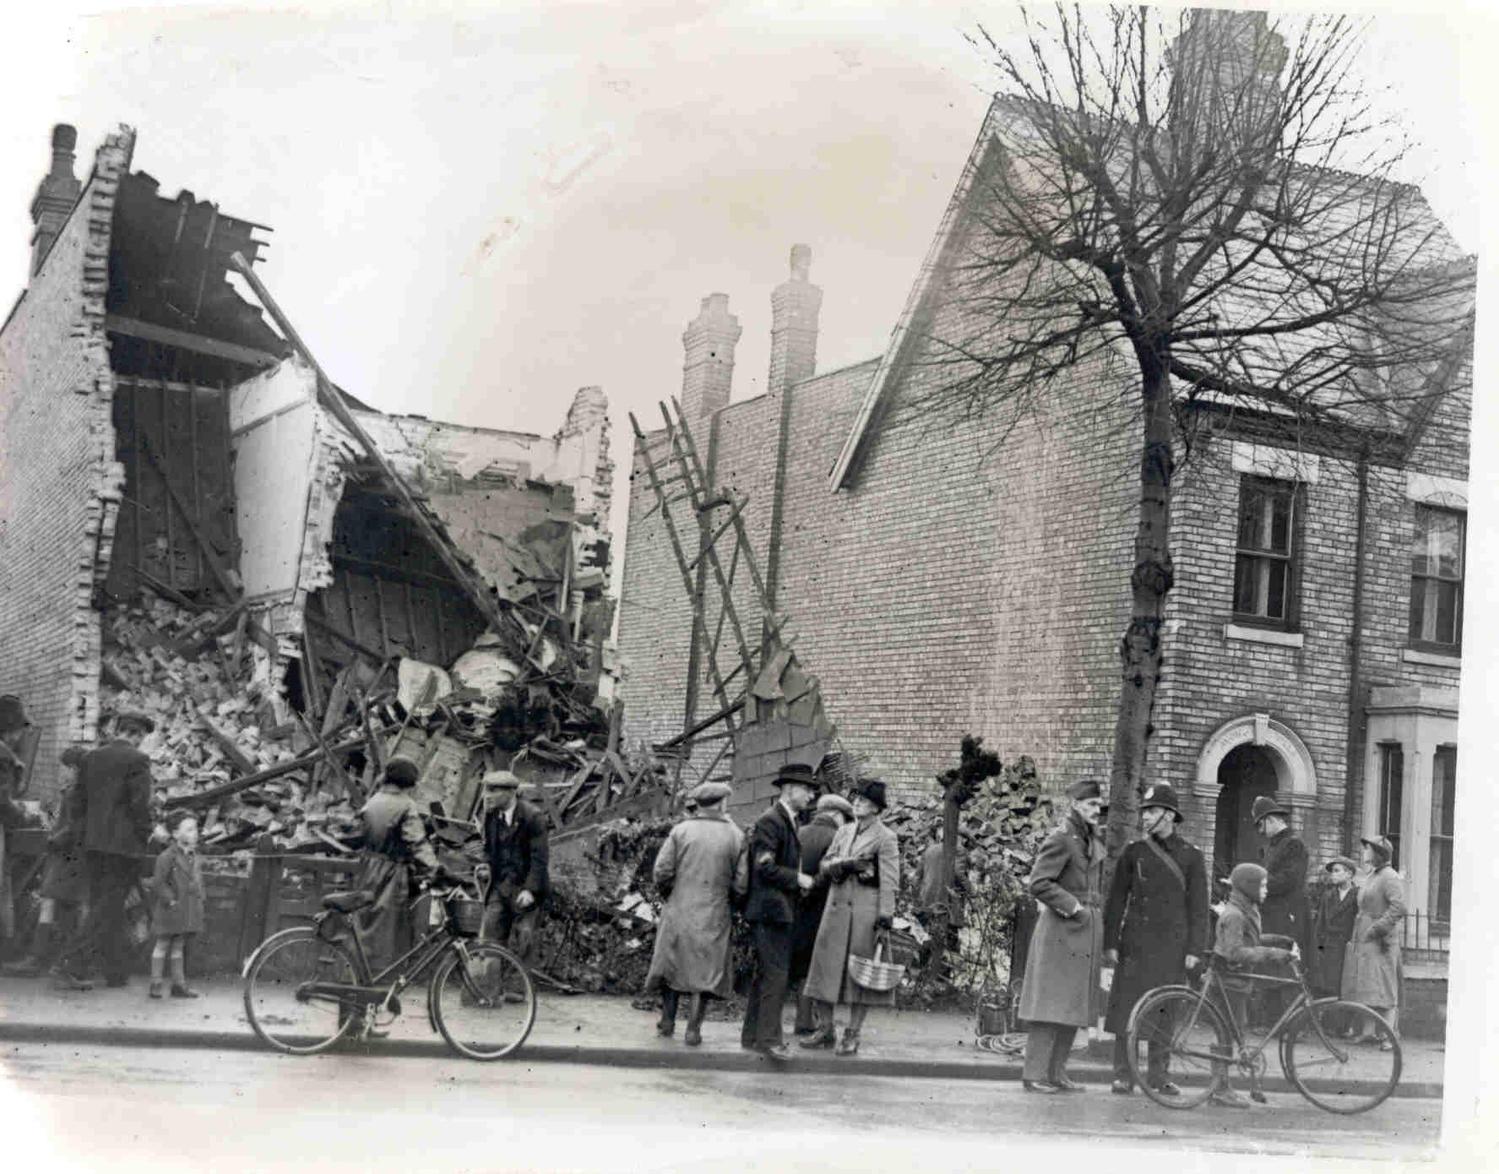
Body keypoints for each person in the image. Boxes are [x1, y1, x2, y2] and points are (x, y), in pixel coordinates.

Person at [1102, 782, 1208, 1097]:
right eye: (1144, 813)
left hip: (1172, 948)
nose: (1145, 819)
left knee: (1165, 1011)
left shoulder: (1191, 857)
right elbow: (1116, 900)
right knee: (1126, 1010)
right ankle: (1122, 1074)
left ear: (1169, 815)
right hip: (1135, 944)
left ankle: (1158, 1075)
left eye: (1151, 812)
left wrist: (1194, 950)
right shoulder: (1133, 853)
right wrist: (1110, 942)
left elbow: (1199, 908)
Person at [50, 711, 157, 990]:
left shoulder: (92, 757)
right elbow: (140, 804)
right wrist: (147, 832)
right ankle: (69, 963)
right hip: (123, 849)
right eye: (141, 737)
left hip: (93, 846)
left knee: (105, 906)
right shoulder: (138, 760)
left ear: (116, 729)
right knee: (107, 910)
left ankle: (115, 972)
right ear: (135, 734)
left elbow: (78, 802)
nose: (141, 742)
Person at [1017, 778, 1106, 1094]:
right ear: (1076, 805)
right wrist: (1074, 907)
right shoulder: (1062, 838)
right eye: (1092, 804)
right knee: (1050, 1004)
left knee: (1073, 1004)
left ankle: (1056, 1072)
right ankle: (1035, 1073)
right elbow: (1039, 883)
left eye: (1099, 805)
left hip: (1083, 932)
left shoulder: (1090, 839)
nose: (1098, 810)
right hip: (1061, 930)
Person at [801, 778, 901, 1056]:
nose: (856, 803)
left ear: (876, 808)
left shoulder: (886, 837)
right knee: (824, 968)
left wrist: (885, 918)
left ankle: (852, 1034)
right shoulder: (843, 831)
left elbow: (891, 881)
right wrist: (841, 864)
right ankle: (825, 1029)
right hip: (834, 910)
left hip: (864, 912)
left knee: (861, 974)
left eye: (864, 801)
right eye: (855, 799)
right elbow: (824, 863)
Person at [644, 781, 749, 1045]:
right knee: (706, 971)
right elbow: (742, 882)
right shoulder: (735, 835)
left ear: (699, 804)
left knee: (672, 964)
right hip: (715, 911)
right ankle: (693, 1029)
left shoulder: (681, 831)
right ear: (722, 803)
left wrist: (671, 894)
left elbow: (661, 871)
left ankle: (667, 1022)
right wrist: (731, 904)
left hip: (679, 908)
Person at [740, 762, 819, 1061]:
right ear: (790, 790)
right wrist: (797, 878)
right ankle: (770, 1040)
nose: (811, 797)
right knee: (776, 975)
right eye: (807, 790)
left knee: (765, 975)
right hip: (770, 910)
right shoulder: (771, 821)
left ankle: (752, 1035)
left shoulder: (786, 820)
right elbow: (765, 866)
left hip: (775, 909)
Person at [1209, 862, 1298, 1109]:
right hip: (1229, 981)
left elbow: (1253, 940)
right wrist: (1275, 954)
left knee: (1234, 1030)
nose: (1266, 889)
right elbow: (1236, 952)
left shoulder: (1246, 908)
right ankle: (1220, 1090)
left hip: (1236, 980)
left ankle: (1222, 1087)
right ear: (1248, 887)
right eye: (1262, 885)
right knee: (1228, 1033)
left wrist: (1283, 942)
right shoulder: (1235, 915)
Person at [4, 746, 91, 977]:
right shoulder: (79, 791)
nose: (62, 773)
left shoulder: (75, 793)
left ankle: (38, 959)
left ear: (74, 768)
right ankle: (58, 959)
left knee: (51, 903)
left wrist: (52, 839)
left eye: (64, 768)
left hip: (66, 856)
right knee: (64, 906)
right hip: (72, 856)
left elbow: (73, 828)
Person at [352, 755, 442, 972]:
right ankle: (379, 981)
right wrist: (435, 868)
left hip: (367, 867)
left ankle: (356, 976)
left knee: (364, 924)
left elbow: (358, 832)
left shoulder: (373, 800)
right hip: (391, 872)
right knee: (385, 930)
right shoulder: (405, 805)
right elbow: (417, 843)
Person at [791, 791, 854, 1035]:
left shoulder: (800, 832)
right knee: (816, 967)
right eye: (845, 818)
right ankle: (808, 1020)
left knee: (798, 966)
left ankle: (802, 1017)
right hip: (823, 910)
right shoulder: (837, 838)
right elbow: (831, 876)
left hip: (796, 907)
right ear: (836, 815)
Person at [478, 769, 550, 972]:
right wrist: (485, 865)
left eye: (493, 790)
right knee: (490, 936)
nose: (487, 796)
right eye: (486, 790)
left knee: (524, 938)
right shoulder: (491, 815)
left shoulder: (532, 816)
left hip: (525, 887)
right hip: (500, 885)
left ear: (510, 792)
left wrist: (530, 890)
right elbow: (488, 848)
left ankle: (518, 991)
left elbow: (540, 858)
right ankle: (489, 988)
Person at [1342, 835, 1405, 1050]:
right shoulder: (1372, 875)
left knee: (1385, 985)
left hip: (1381, 939)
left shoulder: (1390, 877)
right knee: (1367, 983)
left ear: (1378, 853)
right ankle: (1368, 1032)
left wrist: (1377, 929)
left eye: (1367, 849)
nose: (1364, 852)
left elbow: (1398, 908)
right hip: (1364, 936)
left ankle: (1389, 1036)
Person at [148, 811, 205, 999]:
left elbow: (197, 879)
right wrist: (170, 899)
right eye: (188, 830)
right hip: (170, 909)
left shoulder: (194, 856)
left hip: (186, 909)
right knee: (163, 943)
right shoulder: (167, 857)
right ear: (175, 834)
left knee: (178, 945)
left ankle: (178, 984)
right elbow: (158, 882)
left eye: (195, 829)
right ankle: (156, 982)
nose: (194, 833)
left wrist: (200, 898)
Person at [0, 695, 39, 946]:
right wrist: (24, 814)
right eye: (16, 731)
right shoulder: (3, 756)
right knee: (1, 888)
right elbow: (1, 799)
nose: (18, 737)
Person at [1311, 855, 1359, 1036]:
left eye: (1337, 871)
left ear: (1349, 874)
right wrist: (1318, 946)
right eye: (1332, 871)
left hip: (1346, 947)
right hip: (1328, 947)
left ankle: (1343, 1027)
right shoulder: (1328, 896)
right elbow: (1320, 923)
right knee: (1326, 985)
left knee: (1343, 986)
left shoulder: (1357, 896)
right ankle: (1328, 1026)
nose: (1333, 875)